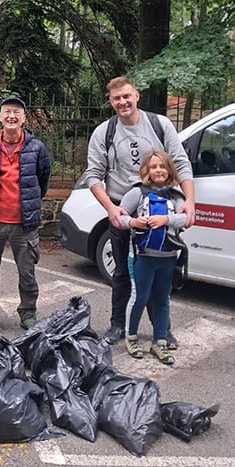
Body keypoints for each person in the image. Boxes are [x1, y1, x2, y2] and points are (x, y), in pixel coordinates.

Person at [85, 76, 195, 345]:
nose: (122, 102)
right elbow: (93, 175)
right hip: (123, 212)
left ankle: (163, 330)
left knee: (159, 275)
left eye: (126, 96)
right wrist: (111, 209)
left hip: (158, 210)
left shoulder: (160, 125)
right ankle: (116, 326)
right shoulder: (104, 132)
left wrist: (189, 201)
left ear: (136, 96)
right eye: (116, 98)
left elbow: (180, 163)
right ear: (110, 102)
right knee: (121, 273)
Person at [0, 97, 51, 330]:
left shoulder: (36, 147)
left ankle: (28, 313)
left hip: (24, 223)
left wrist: (28, 204)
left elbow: (42, 181)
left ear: (23, 118)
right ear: (0, 117)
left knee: (27, 273)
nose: (11, 116)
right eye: (7, 112)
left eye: (16, 112)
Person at [120, 151, 187, 365]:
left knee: (162, 300)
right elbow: (118, 216)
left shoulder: (175, 195)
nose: (158, 170)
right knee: (139, 298)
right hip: (142, 257)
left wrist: (165, 219)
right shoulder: (137, 193)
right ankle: (131, 337)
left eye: (162, 166)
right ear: (146, 171)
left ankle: (160, 341)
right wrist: (132, 223)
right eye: (153, 167)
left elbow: (186, 218)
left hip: (168, 258)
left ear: (169, 170)